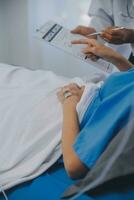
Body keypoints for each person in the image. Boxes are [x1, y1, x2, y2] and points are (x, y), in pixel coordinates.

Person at [0, 39, 134, 200]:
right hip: (74, 93)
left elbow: (74, 165)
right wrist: (117, 59)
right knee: (12, 77)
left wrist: (69, 102)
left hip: (67, 113)